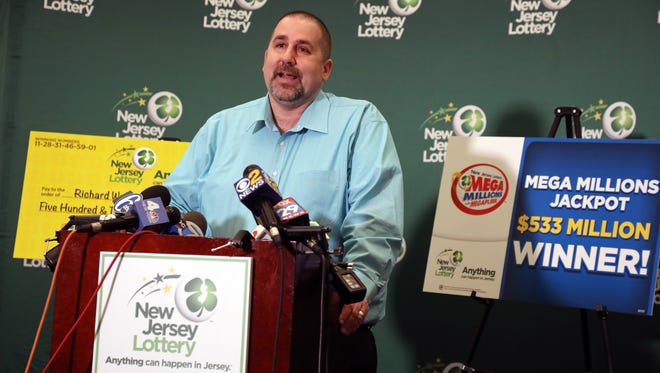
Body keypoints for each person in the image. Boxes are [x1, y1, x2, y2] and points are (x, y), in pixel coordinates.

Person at [164, 10, 404, 372]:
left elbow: (375, 222)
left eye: (303, 49)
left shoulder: (359, 123)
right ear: (265, 59)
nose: (288, 58)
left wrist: (357, 290)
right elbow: (176, 204)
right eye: (280, 45)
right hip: (214, 327)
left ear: (325, 69)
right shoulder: (221, 127)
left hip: (320, 330)